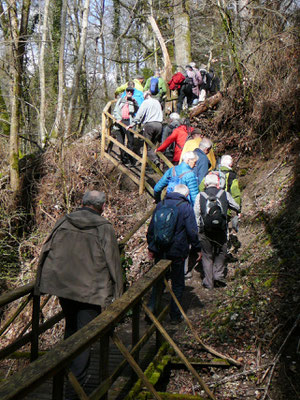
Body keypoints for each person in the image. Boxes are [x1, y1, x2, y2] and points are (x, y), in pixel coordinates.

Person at [35, 191, 123, 399]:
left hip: (64, 288)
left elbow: (45, 250)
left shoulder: (63, 221)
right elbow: (113, 262)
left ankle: (66, 373)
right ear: (101, 207)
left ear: (82, 203)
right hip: (91, 291)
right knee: (84, 336)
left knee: (72, 329)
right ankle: (74, 388)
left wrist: (40, 284)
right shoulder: (104, 228)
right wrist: (119, 297)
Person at [147, 184, 202, 323]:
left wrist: (152, 247)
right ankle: (174, 316)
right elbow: (192, 231)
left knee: (158, 282)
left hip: (160, 250)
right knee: (177, 284)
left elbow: (151, 229)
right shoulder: (185, 207)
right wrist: (197, 248)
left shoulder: (161, 204)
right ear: (185, 194)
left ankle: (150, 312)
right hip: (178, 252)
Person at [194, 174, 240, 289]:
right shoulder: (224, 194)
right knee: (221, 252)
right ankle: (218, 276)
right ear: (218, 183)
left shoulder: (200, 196)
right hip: (221, 229)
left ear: (205, 184)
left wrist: (198, 229)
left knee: (207, 255)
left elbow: (196, 214)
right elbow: (236, 206)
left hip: (205, 231)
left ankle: (208, 282)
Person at [127, 91, 163, 165]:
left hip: (150, 125)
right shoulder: (157, 102)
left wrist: (133, 124)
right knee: (153, 145)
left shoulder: (146, 102)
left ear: (146, 96)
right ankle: (151, 165)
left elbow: (140, 114)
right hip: (159, 124)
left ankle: (155, 160)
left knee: (147, 145)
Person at [111, 86, 139, 165]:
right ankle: (123, 158)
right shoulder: (121, 100)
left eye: (131, 91)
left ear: (132, 93)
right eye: (128, 91)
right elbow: (116, 110)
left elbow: (137, 110)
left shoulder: (133, 101)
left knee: (130, 141)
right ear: (126, 92)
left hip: (129, 122)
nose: (129, 92)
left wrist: (134, 102)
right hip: (120, 122)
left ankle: (130, 159)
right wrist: (118, 118)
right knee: (120, 141)